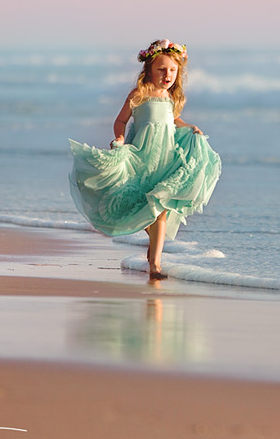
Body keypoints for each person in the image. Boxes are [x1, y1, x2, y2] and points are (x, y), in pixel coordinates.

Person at [68, 40, 221, 279]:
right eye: (161, 69)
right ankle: (153, 256)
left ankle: (155, 264)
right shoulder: (140, 94)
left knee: (161, 209)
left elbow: (173, 121)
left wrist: (189, 127)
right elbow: (120, 121)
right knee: (145, 208)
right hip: (141, 158)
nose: (167, 75)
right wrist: (119, 139)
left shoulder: (173, 97)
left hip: (166, 159)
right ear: (149, 69)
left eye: (172, 70)